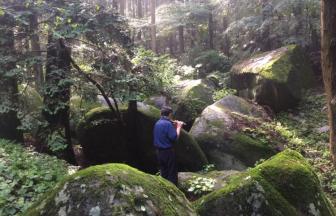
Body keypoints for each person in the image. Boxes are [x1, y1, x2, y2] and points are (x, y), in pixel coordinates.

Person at [153, 106, 184, 185]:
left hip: (159, 152)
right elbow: (174, 138)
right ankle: (174, 191)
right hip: (168, 152)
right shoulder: (167, 124)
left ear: (161, 113)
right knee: (172, 173)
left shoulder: (157, 123)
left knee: (164, 173)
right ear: (170, 114)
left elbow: (164, 135)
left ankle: (165, 190)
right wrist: (179, 127)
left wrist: (173, 126)